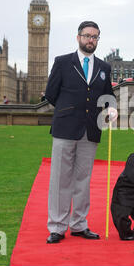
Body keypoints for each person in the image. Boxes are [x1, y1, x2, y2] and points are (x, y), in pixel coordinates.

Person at [44, 21, 118, 244]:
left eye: (95, 37)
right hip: (65, 128)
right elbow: (51, 94)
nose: (91, 40)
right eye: (87, 36)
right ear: (78, 37)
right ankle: (57, 226)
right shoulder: (63, 62)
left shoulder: (104, 68)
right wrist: (69, 111)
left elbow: (107, 96)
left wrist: (111, 107)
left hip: (91, 129)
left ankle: (79, 224)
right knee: (60, 179)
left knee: (83, 180)